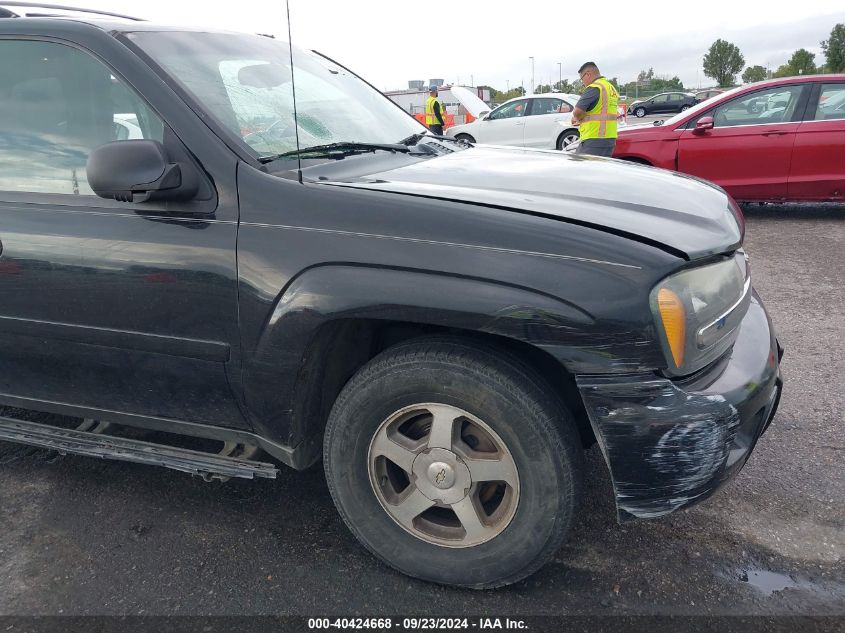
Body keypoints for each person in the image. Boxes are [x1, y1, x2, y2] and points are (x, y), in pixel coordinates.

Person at [571, 62, 619, 157]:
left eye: (582, 79)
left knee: (582, 168)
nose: (582, 82)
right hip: (609, 138)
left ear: (588, 74)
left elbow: (577, 112)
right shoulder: (610, 87)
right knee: (599, 170)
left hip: (594, 138)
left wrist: (577, 118)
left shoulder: (595, 87)